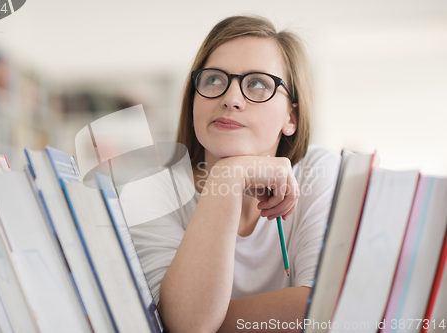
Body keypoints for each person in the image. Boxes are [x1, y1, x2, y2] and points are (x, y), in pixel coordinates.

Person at [128, 15, 341, 332]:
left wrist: (206, 319)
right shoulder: (151, 192)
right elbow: (188, 325)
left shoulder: (318, 171)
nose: (230, 99)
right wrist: (229, 176)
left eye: (258, 84)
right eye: (213, 79)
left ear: (291, 117)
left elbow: (325, 311)